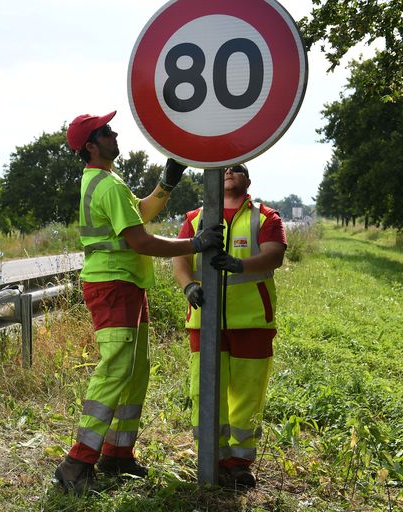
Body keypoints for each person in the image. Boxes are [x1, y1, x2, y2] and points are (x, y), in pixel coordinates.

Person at [53, 110, 224, 495]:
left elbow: (140, 214)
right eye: (106, 131)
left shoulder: (107, 181)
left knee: (136, 370)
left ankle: (117, 454)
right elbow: (141, 241)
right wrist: (195, 243)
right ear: (91, 146)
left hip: (126, 284)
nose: (115, 133)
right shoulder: (107, 185)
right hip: (112, 285)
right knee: (116, 370)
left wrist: (166, 183)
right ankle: (76, 463)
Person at [171, 163, 287, 489]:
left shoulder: (266, 217)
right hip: (203, 323)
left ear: (249, 180)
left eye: (238, 169)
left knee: (248, 395)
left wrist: (238, 264)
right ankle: (213, 458)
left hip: (252, 323)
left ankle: (239, 464)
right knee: (205, 392)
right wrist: (187, 286)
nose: (230, 172)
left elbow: (274, 255)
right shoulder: (195, 219)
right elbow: (179, 258)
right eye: (225, 170)